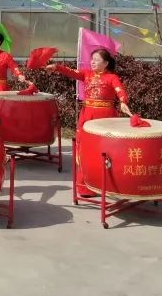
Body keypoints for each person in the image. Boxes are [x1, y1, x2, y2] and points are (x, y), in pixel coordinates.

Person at [46, 48, 132, 198]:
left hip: (106, 118)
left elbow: (120, 91)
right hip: (87, 115)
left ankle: (106, 184)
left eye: (96, 60)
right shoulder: (87, 74)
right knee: (84, 149)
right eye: (92, 59)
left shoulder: (112, 77)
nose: (92, 62)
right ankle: (84, 185)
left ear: (106, 63)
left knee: (105, 151)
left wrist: (123, 102)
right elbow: (71, 72)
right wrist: (56, 67)